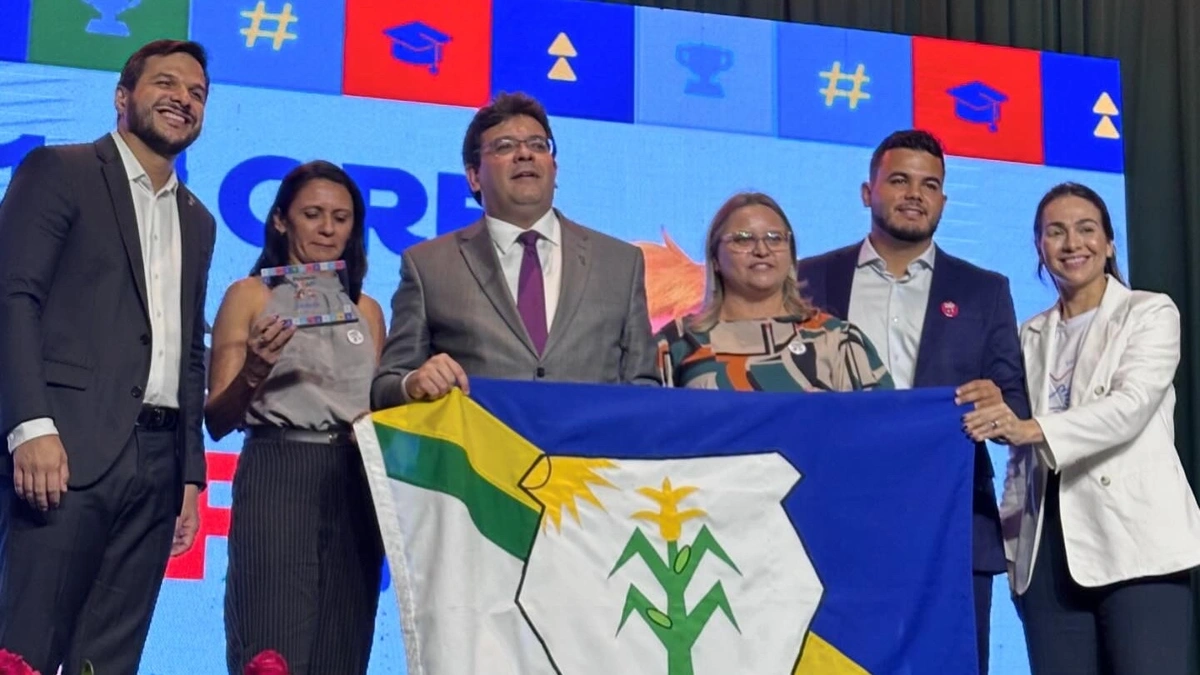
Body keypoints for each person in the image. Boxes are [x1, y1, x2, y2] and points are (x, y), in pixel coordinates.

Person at [0, 40, 214, 673]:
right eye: (166, 83)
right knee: (24, 647)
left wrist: (190, 475)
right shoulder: (59, 171)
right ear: (123, 98)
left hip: (157, 466)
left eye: (197, 93)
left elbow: (189, 352)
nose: (182, 98)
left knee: (110, 660)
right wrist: (30, 426)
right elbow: (12, 299)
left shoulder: (198, 221)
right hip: (62, 450)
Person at [796, 129, 1029, 674]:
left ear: (944, 201)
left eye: (930, 185)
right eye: (899, 180)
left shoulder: (983, 290)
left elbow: (1014, 404)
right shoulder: (807, 279)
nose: (914, 194)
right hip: (834, 518)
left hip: (952, 524)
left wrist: (999, 405)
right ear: (867, 190)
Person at [970, 182, 1200, 675]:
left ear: (1110, 243)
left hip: (1135, 542)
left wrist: (1031, 428)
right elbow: (1014, 443)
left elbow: (1131, 406)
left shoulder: (1149, 312)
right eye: (1056, 232)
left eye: (1086, 229)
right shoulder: (1026, 334)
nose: (1073, 243)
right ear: (1039, 248)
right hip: (1044, 553)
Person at [204, 161, 387, 674]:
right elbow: (217, 417)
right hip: (279, 469)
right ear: (281, 220)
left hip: (356, 482)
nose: (328, 228)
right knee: (271, 646)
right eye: (312, 214)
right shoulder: (249, 296)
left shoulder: (367, 310)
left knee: (343, 650)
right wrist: (254, 370)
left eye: (341, 217)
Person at [371, 91, 658, 407]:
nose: (525, 154)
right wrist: (413, 384)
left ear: (554, 167)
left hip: (592, 453)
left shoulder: (620, 263)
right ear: (474, 176)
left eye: (538, 145)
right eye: (505, 146)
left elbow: (643, 386)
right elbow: (387, 386)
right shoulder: (428, 265)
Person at [657, 192, 892, 392]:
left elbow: (887, 428)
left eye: (775, 238)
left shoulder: (837, 340)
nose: (762, 250)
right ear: (715, 257)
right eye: (743, 239)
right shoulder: (676, 343)